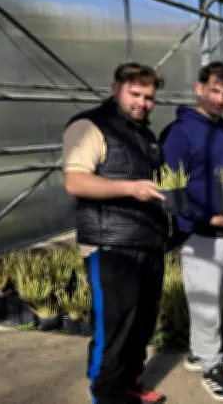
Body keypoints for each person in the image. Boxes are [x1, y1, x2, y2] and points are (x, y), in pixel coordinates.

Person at [62, 63, 171, 404]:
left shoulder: (145, 135)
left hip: (147, 242)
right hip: (111, 246)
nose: (142, 102)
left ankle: (127, 384)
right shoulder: (90, 125)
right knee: (114, 330)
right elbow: (75, 181)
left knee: (140, 326)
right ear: (115, 89)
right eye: (135, 94)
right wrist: (131, 188)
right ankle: (105, 395)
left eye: (149, 97)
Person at [159, 61, 223, 402]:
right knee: (206, 301)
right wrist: (203, 219)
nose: (221, 99)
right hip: (202, 233)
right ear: (199, 89)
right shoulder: (180, 133)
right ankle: (211, 364)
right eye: (215, 91)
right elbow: (170, 190)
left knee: (221, 295)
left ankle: (199, 352)